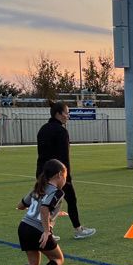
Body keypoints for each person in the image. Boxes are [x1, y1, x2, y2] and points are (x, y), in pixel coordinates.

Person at [4, 160, 67, 265]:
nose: (65, 180)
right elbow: (44, 209)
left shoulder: (38, 189)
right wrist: (46, 231)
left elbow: (20, 206)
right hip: (37, 230)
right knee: (58, 258)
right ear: (59, 175)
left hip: (24, 226)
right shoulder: (58, 192)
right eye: (65, 176)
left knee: (33, 262)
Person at [36, 101, 96, 239]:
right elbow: (64, 156)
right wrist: (66, 177)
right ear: (59, 114)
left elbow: (41, 153)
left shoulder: (43, 129)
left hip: (41, 171)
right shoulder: (61, 131)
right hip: (57, 174)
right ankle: (78, 229)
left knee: (47, 203)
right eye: (67, 112)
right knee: (70, 200)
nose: (68, 115)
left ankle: (46, 232)